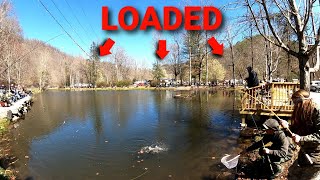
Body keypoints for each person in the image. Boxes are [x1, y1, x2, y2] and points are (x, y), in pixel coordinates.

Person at [281, 89, 320, 179]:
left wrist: (301, 139)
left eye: (296, 103)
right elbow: (296, 132)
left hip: (316, 157)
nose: (295, 106)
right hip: (305, 154)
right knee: (292, 175)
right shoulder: (303, 113)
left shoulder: (316, 111)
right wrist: (287, 127)